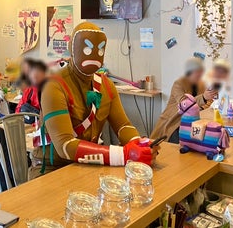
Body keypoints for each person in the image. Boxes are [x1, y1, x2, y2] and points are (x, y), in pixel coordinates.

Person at [30, 22, 156, 178]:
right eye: (87, 49)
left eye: (101, 49)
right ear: (72, 49)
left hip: (88, 166)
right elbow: (65, 145)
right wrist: (124, 154)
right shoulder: (53, 85)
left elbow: (123, 125)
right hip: (52, 170)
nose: (94, 55)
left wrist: (139, 144)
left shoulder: (106, 86)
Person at [151, 57, 217, 144]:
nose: (200, 74)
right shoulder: (178, 84)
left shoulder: (201, 84)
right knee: (184, 144)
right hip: (174, 122)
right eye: (198, 72)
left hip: (192, 121)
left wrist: (207, 99)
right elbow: (184, 104)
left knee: (207, 138)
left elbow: (208, 102)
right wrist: (203, 98)